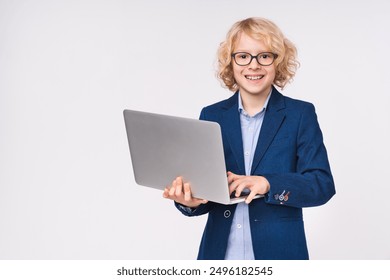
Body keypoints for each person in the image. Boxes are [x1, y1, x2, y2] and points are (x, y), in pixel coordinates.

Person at [163, 17, 335, 260]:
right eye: (243, 56)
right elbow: (208, 192)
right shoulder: (211, 115)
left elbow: (322, 184)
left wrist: (268, 183)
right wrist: (190, 201)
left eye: (264, 56)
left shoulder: (300, 115)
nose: (253, 65)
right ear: (231, 62)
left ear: (278, 61)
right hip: (219, 256)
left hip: (280, 254)